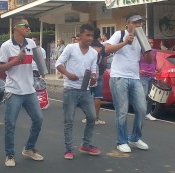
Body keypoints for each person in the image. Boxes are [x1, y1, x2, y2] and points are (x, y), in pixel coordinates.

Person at [0, 17, 44, 167]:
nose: (28, 29)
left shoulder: (31, 43)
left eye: (28, 26)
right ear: (16, 28)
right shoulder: (6, 46)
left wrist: (41, 74)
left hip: (29, 89)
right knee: (10, 124)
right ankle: (9, 154)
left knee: (38, 119)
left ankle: (29, 148)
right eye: (26, 26)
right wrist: (17, 59)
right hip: (13, 90)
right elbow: (1, 68)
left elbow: (37, 62)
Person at [104, 12, 152, 153]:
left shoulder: (141, 38)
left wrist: (146, 47)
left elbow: (149, 60)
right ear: (128, 24)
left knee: (142, 109)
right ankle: (122, 141)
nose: (138, 25)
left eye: (140, 23)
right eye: (135, 22)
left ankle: (135, 137)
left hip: (135, 78)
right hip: (119, 77)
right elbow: (106, 49)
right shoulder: (119, 34)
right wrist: (125, 41)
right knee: (122, 111)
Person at [55, 23, 101, 160]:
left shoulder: (93, 53)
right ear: (80, 36)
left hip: (85, 90)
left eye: (92, 36)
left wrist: (94, 78)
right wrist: (68, 74)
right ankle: (68, 149)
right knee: (69, 120)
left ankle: (85, 145)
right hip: (70, 89)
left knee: (92, 117)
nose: (90, 38)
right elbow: (58, 63)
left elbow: (94, 71)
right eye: (87, 35)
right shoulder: (70, 48)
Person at [82, 28, 107, 125]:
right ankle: (96, 118)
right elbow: (104, 61)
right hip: (99, 73)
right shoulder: (101, 46)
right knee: (98, 96)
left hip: (87, 73)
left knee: (87, 95)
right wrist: (102, 70)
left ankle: (88, 117)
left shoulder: (88, 45)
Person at [139, 38, 157, 121]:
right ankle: (141, 113)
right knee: (143, 95)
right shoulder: (139, 51)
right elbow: (135, 62)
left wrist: (156, 70)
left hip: (152, 75)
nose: (151, 44)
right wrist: (139, 70)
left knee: (151, 96)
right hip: (143, 76)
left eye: (152, 43)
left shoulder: (154, 51)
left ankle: (147, 113)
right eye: (149, 42)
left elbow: (154, 61)